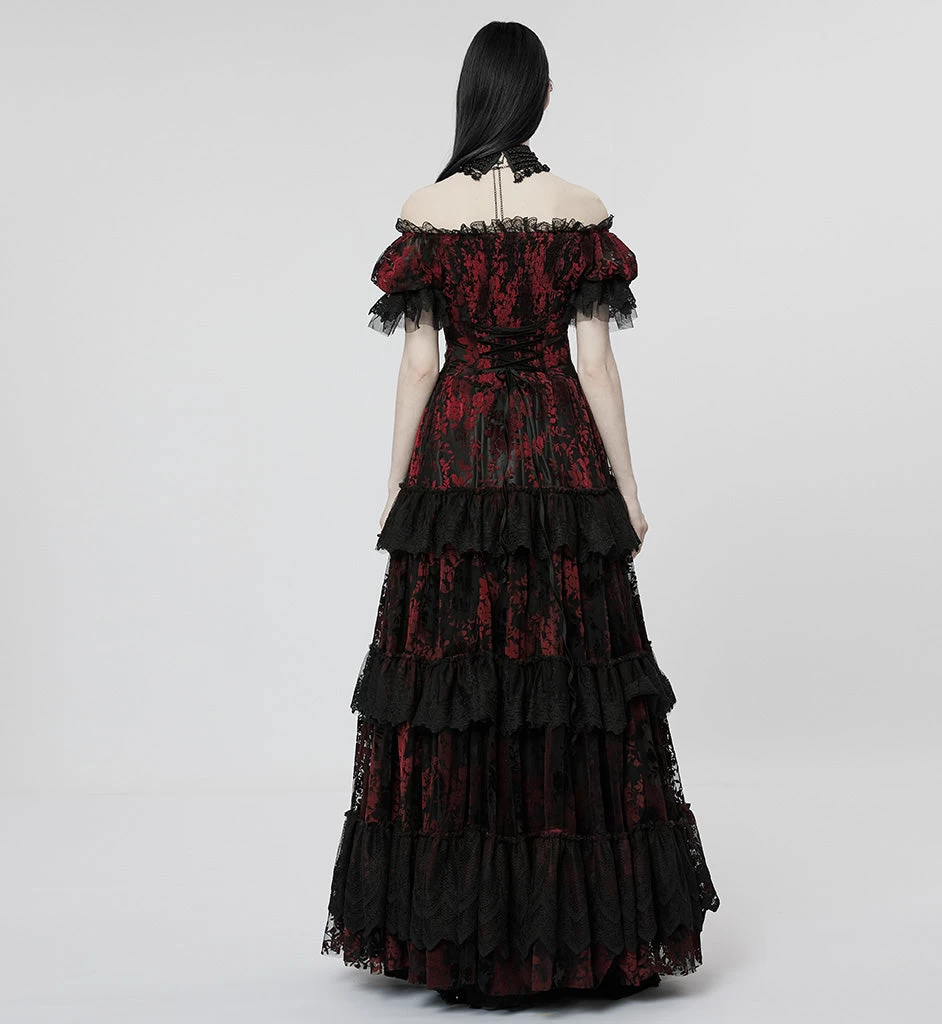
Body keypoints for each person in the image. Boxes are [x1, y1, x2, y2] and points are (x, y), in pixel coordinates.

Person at [319, 20, 720, 1010]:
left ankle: (454, 931)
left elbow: (420, 364)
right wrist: (627, 488)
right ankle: (573, 930)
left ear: (472, 95)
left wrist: (397, 484)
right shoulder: (579, 208)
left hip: (457, 462)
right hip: (554, 455)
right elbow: (597, 365)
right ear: (535, 97)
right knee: (563, 683)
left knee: (457, 681)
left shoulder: (426, 210)